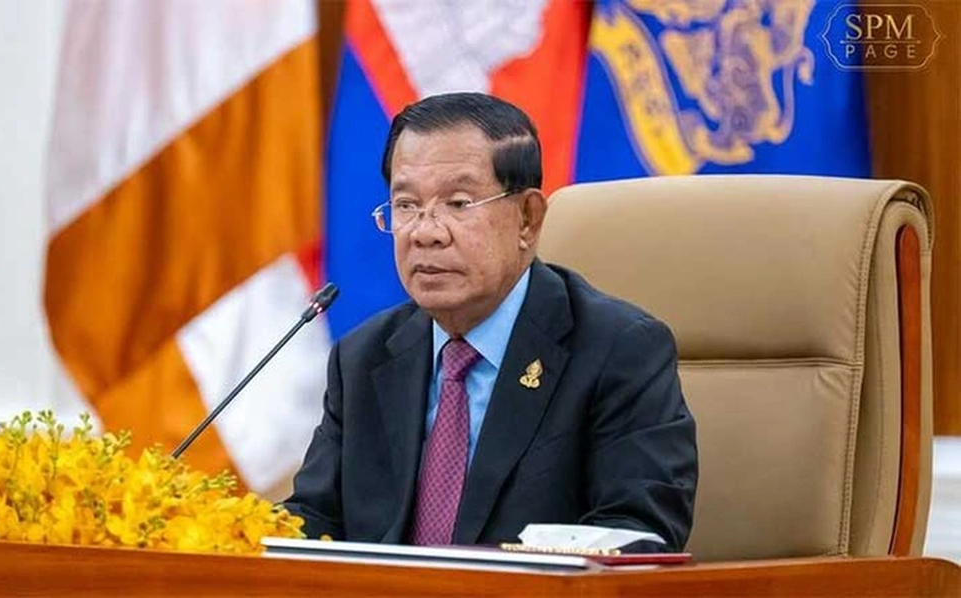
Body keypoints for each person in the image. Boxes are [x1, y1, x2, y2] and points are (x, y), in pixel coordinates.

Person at [285, 92, 697, 551]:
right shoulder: (363, 357)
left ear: (527, 219)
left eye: (458, 204)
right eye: (406, 205)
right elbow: (314, 520)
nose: (426, 232)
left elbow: (636, 534)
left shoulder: (618, 351)